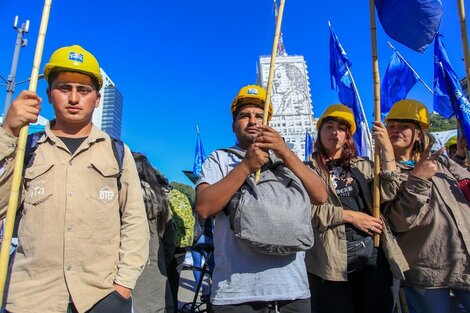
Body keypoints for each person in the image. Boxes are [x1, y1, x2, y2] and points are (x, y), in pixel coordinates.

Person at [0, 45, 149, 313]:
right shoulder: (27, 147)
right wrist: (7, 134)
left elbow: (135, 221)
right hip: (31, 298)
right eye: (64, 88)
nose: (73, 98)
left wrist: (123, 286)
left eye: (83, 90)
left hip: (101, 296)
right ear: (48, 94)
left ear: (98, 98)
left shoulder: (117, 152)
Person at [195, 84, 328, 313]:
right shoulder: (219, 159)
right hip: (236, 295)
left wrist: (284, 151)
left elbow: (320, 195)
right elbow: (204, 207)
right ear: (233, 125)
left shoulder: (288, 159)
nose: (253, 121)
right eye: (244, 116)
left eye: (260, 115)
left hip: (293, 292)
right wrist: (246, 166)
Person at [304, 104, 408, 313]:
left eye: (342, 128)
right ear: (319, 132)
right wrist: (350, 216)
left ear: (348, 135)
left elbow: (389, 191)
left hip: (372, 255)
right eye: (329, 126)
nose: (335, 132)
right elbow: (306, 212)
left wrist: (387, 148)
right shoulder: (307, 170)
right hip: (329, 260)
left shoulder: (364, 165)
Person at [382, 99, 470, 313]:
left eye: (404, 126)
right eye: (391, 126)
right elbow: (398, 221)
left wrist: (460, 155)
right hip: (427, 272)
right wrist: (418, 179)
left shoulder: (442, 162)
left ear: (419, 134)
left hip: (465, 262)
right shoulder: (381, 173)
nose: (396, 130)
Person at [132, 152, 175, 313]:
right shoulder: (161, 199)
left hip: (120, 276)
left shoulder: (117, 195)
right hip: (154, 274)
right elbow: (170, 241)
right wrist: (162, 263)